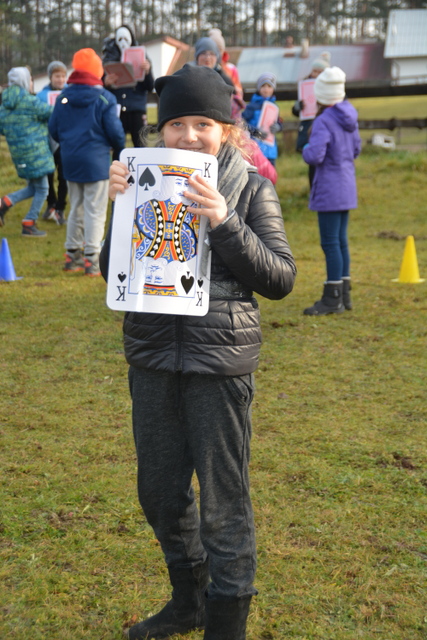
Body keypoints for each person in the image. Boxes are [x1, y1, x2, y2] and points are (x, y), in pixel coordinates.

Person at [100, 64, 296, 640]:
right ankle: (189, 603)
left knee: (223, 502)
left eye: (202, 124)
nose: (188, 136)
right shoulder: (142, 180)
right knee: (160, 494)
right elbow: (115, 273)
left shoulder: (251, 188)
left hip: (219, 367)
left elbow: (280, 278)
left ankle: (226, 623)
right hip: (153, 359)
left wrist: (225, 221)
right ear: (160, 130)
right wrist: (119, 208)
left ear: (226, 129)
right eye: (176, 124)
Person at [49, 48, 125, 275]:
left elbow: (53, 129)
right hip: (96, 161)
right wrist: (117, 149)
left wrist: (69, 143)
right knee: (95, 210)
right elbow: (116, 133)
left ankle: (72, 254)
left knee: (76, 207)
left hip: (70, 160)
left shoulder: (63, 97)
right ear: (97, 71)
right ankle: (92, 258)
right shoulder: (105, 98)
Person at [302, 66, 361, 315]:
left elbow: (315, 155)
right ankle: (344, 294)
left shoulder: (324, 120)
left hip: (329, 187)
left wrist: (305, 148)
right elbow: (356, 149)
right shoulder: (350, 117)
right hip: (347, 184)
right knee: (341, 241)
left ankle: (332, 298)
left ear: (322, 95)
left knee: (330, 243)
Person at [0, 66, 54, 237]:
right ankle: (29, 223)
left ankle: (5, 202)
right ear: (24, 81)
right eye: (30, 79)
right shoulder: (31, 102)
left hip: (18, 154)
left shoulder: (4, 105)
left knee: (33, 187)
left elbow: (2, 129)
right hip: (35, 153)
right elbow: (51, 113)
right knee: (43, 189)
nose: (31, 82)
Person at [102, 25, 154, 154]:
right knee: (118, 147)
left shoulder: (142, 56)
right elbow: (102, 90)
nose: (123, 42)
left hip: (136, 109)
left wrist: (147, 71)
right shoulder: (108, 58)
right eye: (120, 39)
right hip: (117, 110)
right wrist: (106, 83)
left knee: (141, 147)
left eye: (126, 38)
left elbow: (150, 86)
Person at [36, 60, 68, 225]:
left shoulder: (70, 92)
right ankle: (51, 204)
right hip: (47, 141)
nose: (60, 79)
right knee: (48, 174)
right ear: (50, 77)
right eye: (57, 76)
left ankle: (60, 208)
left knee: (64, 176)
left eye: (63, 76)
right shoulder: (41, 96)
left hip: (65, 141)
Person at [242, 72, 283, 167]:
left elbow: (279, 122)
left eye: (269, 86)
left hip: (271, 151)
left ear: (273, 89)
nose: (266, 89)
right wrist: (255, 131)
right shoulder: (252, 106)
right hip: (255, 150)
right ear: (258, 88)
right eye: (263, 86)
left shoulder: (274, 107)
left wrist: (278, 127)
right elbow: (242, 123)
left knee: (270, 174)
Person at [208, 28, 244, 98]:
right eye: (214, 50)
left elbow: (239, 93)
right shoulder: (202, 68)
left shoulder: (231, 68)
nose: (217, 53)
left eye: (219, 49)